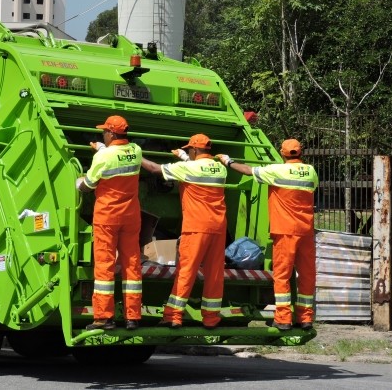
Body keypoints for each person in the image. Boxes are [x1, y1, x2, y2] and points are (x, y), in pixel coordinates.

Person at [216, 139, 319, 331]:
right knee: (307, 274)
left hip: (285, 231)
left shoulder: (276, 171)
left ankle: (283, 318)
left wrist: (228, 161)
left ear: (282, 152)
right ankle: (305, 318)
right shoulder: (311, 171)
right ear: (300, 152)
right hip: (305, 231)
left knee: (282, 275)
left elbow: (248, 171)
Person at [140, 133, 227, 329]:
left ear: (195, 149)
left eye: (189, 149)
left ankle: (173, 316)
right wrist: (185, 158)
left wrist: (135, 154)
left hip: (196, 227)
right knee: (214, 273)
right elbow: (200, 170)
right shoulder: (219, 168)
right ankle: (211, 318)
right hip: (218, 226)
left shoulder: (188, 168)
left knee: (186, 271)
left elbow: (155, 169)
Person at [76, 115, 143, 331]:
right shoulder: (136, 151)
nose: (102, 134)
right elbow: (120, 156)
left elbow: (89, 184)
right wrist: (103, 149)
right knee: (132, 264)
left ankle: (104, 318)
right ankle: (133, 317)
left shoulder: (103, 158)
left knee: (105, 265)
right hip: (131, 215)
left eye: (104, 131)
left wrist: (78, 184)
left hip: (108, 216)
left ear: (111, 133)